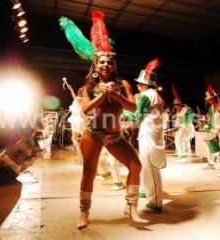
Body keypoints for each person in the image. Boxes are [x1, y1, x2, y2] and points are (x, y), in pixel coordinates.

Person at [61, 10, 147, 229]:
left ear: (113, 65)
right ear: (95, 66)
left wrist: (116, 94)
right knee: (89, 172)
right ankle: (84, 211)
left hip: (115, 135)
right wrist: (102, 94)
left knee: (135, 165)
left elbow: (133, 106)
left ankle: (131, 207)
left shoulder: (124, 84)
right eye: (102, 62)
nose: (106, 65)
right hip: (94, 134)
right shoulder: (87, 87)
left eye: (109, 61)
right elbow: (86, 110)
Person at [123, 58, 166, 213]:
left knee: (150, 166)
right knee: (145, 164)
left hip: (149, 134)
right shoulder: (154, 95)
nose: (137, 86)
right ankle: (145, 190)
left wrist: (123, 107)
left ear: (144, 84)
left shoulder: (148, 94)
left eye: (139, 83)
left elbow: (136, 115)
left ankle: (156, 202)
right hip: (150, 132)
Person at [203, 86, 220, 168]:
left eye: (211, 99)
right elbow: (210, 119)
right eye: (208, 99)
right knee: (209, 143)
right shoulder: (210, 108)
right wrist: (207, 125)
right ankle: (210, 162)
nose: (209, 101)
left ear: (215, 98)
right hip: (214, 128)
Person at [65, 81, 86, 164]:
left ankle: (79, 157)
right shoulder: (86, 101)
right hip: (84, 121)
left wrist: (70, 89)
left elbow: (74, 96)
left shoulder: (78, 99)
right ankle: (84, 157)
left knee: (74, 139)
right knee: (84, 140)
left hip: (76, 121)